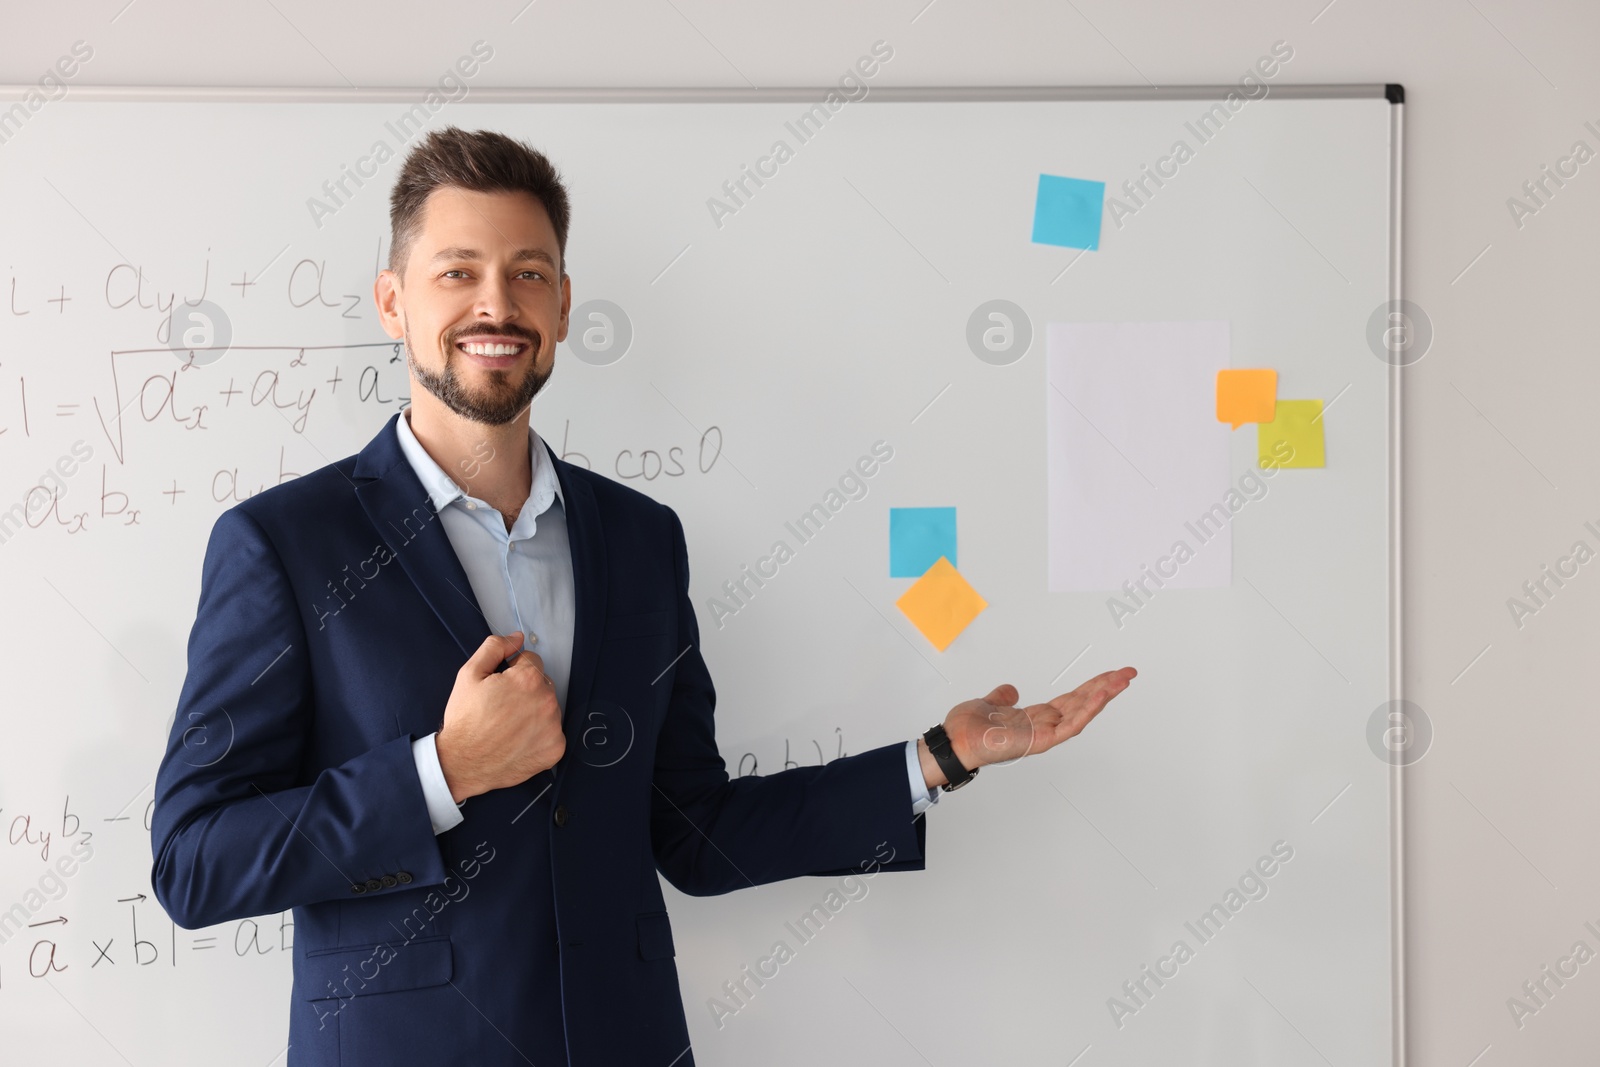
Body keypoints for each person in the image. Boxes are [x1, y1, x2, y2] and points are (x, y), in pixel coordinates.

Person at [149, 125, 1137, 1067]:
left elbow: (692, 828)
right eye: (458, 271)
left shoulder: (639, 537)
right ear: (392, 301)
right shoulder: (284, 543)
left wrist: (939, 758)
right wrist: (442, 770)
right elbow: (193, 859)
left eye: (526, 272)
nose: (496, 303)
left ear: (564, 305)